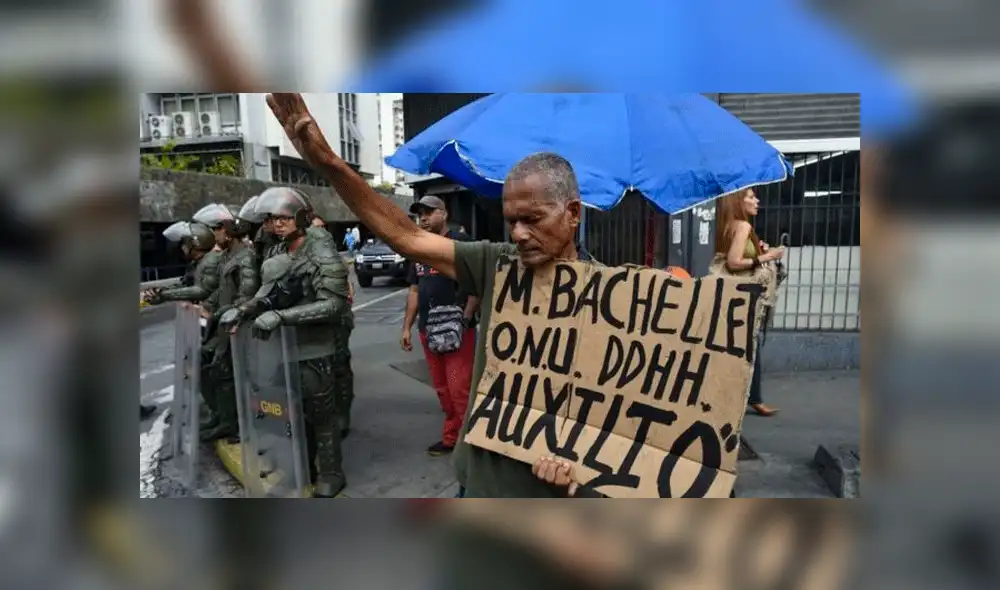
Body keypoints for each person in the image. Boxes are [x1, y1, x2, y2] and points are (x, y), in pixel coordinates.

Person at [265, 93, 594, 497]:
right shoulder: (497, 264)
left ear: (573, 213)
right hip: (477, 483)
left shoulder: (617, 301)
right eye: (511, 221)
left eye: (533, 219)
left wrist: (582, 461)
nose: (519, 233)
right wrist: (331, 164)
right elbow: (405, 235)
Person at [222, 187, 353, 497]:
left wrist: (282, 317)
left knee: (322, 415)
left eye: (283, 217)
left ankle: (332, 473)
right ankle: (300, 468)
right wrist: (242, 310)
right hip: (283, 349)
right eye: (271, 219)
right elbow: (268, 294)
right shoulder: (277, 253)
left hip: (315, 348)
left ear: (300, 218)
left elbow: (334, 304)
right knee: (292, 414)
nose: (276, 224)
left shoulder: (320, 250)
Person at [401, 196, 480, 457]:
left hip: (457, 330)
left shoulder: (461, 244)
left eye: (428, 212)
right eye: (419, 214)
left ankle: (471, 442)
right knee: (443, 390)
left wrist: (465, 319)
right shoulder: (419, 249)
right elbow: (414, 290)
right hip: (428, 331)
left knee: (460, 389)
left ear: (443, 214)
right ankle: (451, 437)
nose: (423, 218)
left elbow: (477, 286)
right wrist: (407, 327)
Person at [714, 187, 784, 417]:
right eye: (751, 197)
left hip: (731, 295)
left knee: (737, 346)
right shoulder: (743, 226)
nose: (757, 200)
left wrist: (757, 249)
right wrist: (767, 256)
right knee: (749, 345)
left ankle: (749, 397)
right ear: (738, 201)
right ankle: (753, 399)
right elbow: (734, 263)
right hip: (744, 295)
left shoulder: (726, 226)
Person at [193, 203, 259, 442]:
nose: (214, 235)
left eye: (217, 229)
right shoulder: (226, 257)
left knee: (234, 377)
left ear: (228, 230)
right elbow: (220, 290)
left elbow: (246, 294)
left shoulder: (246, 257)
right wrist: (208, 307)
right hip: (222, 324)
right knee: (212, 370)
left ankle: (236, 424)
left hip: (237, 326)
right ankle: (222, 418)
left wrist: (229, 313)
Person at [142, 222, 221, 307]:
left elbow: (202, 291)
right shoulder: (196, 263)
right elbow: (186, 284)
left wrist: (164, 295)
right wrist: (160, 290)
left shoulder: (211, 260)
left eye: (185, 242)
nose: (183, 246)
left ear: (196, 243)